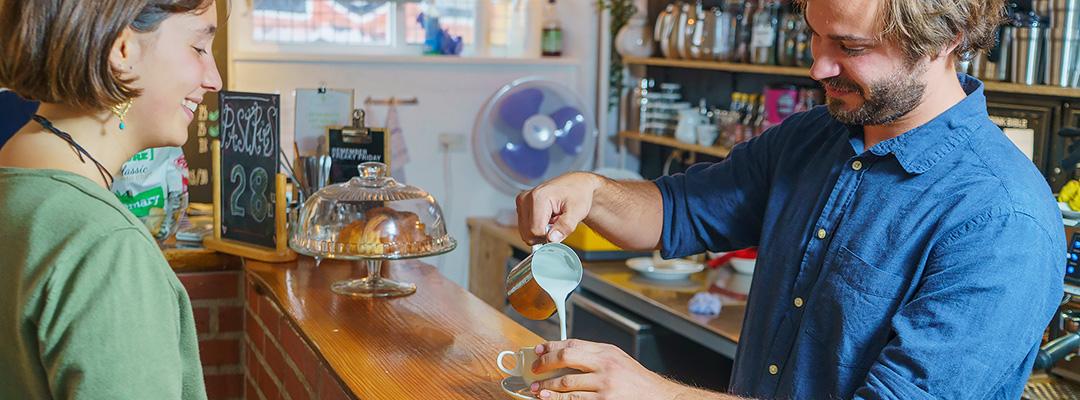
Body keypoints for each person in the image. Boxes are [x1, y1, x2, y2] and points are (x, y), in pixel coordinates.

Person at [515, 0, 1064, 398]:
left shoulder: (999, 220)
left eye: (850, 47)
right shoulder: (810, 139)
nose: (818, 67)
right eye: (815, 36)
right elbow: (678, 212)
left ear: (944, 40)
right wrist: (593, 190)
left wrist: (656, 393)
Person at [0, 0, 222, 398]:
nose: (214, 79)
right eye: (199, 48)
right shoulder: (107, 247)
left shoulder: (15, 175)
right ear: (122, 52)